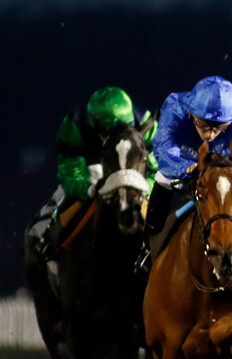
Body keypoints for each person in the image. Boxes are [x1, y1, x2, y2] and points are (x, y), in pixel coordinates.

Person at [136, 76, 232, 271]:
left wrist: (220, 173)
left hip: (220, 170)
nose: (209, 134)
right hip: (184, 167)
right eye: (203, 125)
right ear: (191, 113)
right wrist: (189, 169)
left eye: (219, 128)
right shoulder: (174, 106)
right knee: (162, 179)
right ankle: (147, 247)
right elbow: (163, 150)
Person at [29, 87, 158, 257]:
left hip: (133, 170)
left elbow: (158, 167)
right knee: (61, 200)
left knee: (156, 208)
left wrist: (144, 188)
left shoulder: (147, 125)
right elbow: (69, 176)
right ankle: (45, 239)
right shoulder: (74, 126)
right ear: (96, 124)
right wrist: (89, 189)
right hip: (90, 170)